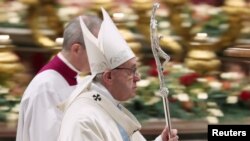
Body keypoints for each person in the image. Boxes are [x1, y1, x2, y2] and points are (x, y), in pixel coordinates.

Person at [58, 8, 179, 141]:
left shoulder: (108, 106)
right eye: (132, 71)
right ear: (108, 76)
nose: (137, 77)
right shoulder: (83, 120)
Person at [16, 15, 102, 141]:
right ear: (76, 49)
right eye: (96, 50)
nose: (100, 57)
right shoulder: (46, 87)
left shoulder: (76, 79)